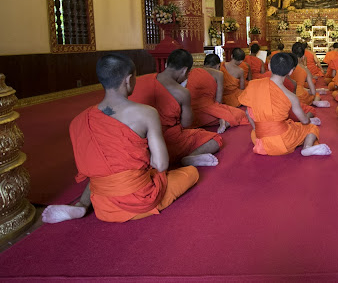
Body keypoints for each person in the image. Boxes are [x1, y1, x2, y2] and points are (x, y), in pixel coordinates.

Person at [42, 53, 200, 224]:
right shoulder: (146, 113)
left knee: (106, 168)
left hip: (102, 203)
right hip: (138, 200)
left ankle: (82, 204)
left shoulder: (79, 120)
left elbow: (92, 165)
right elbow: (161, 165)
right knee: (190, 173)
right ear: (128, 79)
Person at [129, 49, 222, 166]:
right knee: (215, 139)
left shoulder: (140, 81)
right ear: (184, 71)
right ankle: (190, 157)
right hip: (168, 142)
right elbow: (187, 123)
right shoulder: (181, 92)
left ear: (167, 64)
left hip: (141, 143)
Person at [238, 52, 331, 156]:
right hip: (284, 142)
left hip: (260, 141)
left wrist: (259, 130)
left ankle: (262, 133)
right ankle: (308, 146)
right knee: (311, 128)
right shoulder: (291, 96)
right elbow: (304, 121)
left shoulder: (253, 85)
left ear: (269, 66)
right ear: (291, 71)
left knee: (254, 132)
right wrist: (308, 120)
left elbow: (247, 113)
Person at [187, 53, 249, 134]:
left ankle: (220, 118)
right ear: (218, 65)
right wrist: (219, 111)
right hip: (209, 107)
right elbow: (218, 100)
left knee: (200, 117)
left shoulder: (193, 72)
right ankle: (223, 119)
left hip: (192, 112)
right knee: (240, 114)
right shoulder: (218, 74)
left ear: (204, 63)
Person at [291, 42, 330, 108]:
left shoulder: (287, 67)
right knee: (316, 94)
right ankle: (315, 101)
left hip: (288, 95)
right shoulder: (305, 70)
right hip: (301, 96)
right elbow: (313, 92)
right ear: (303, 56)